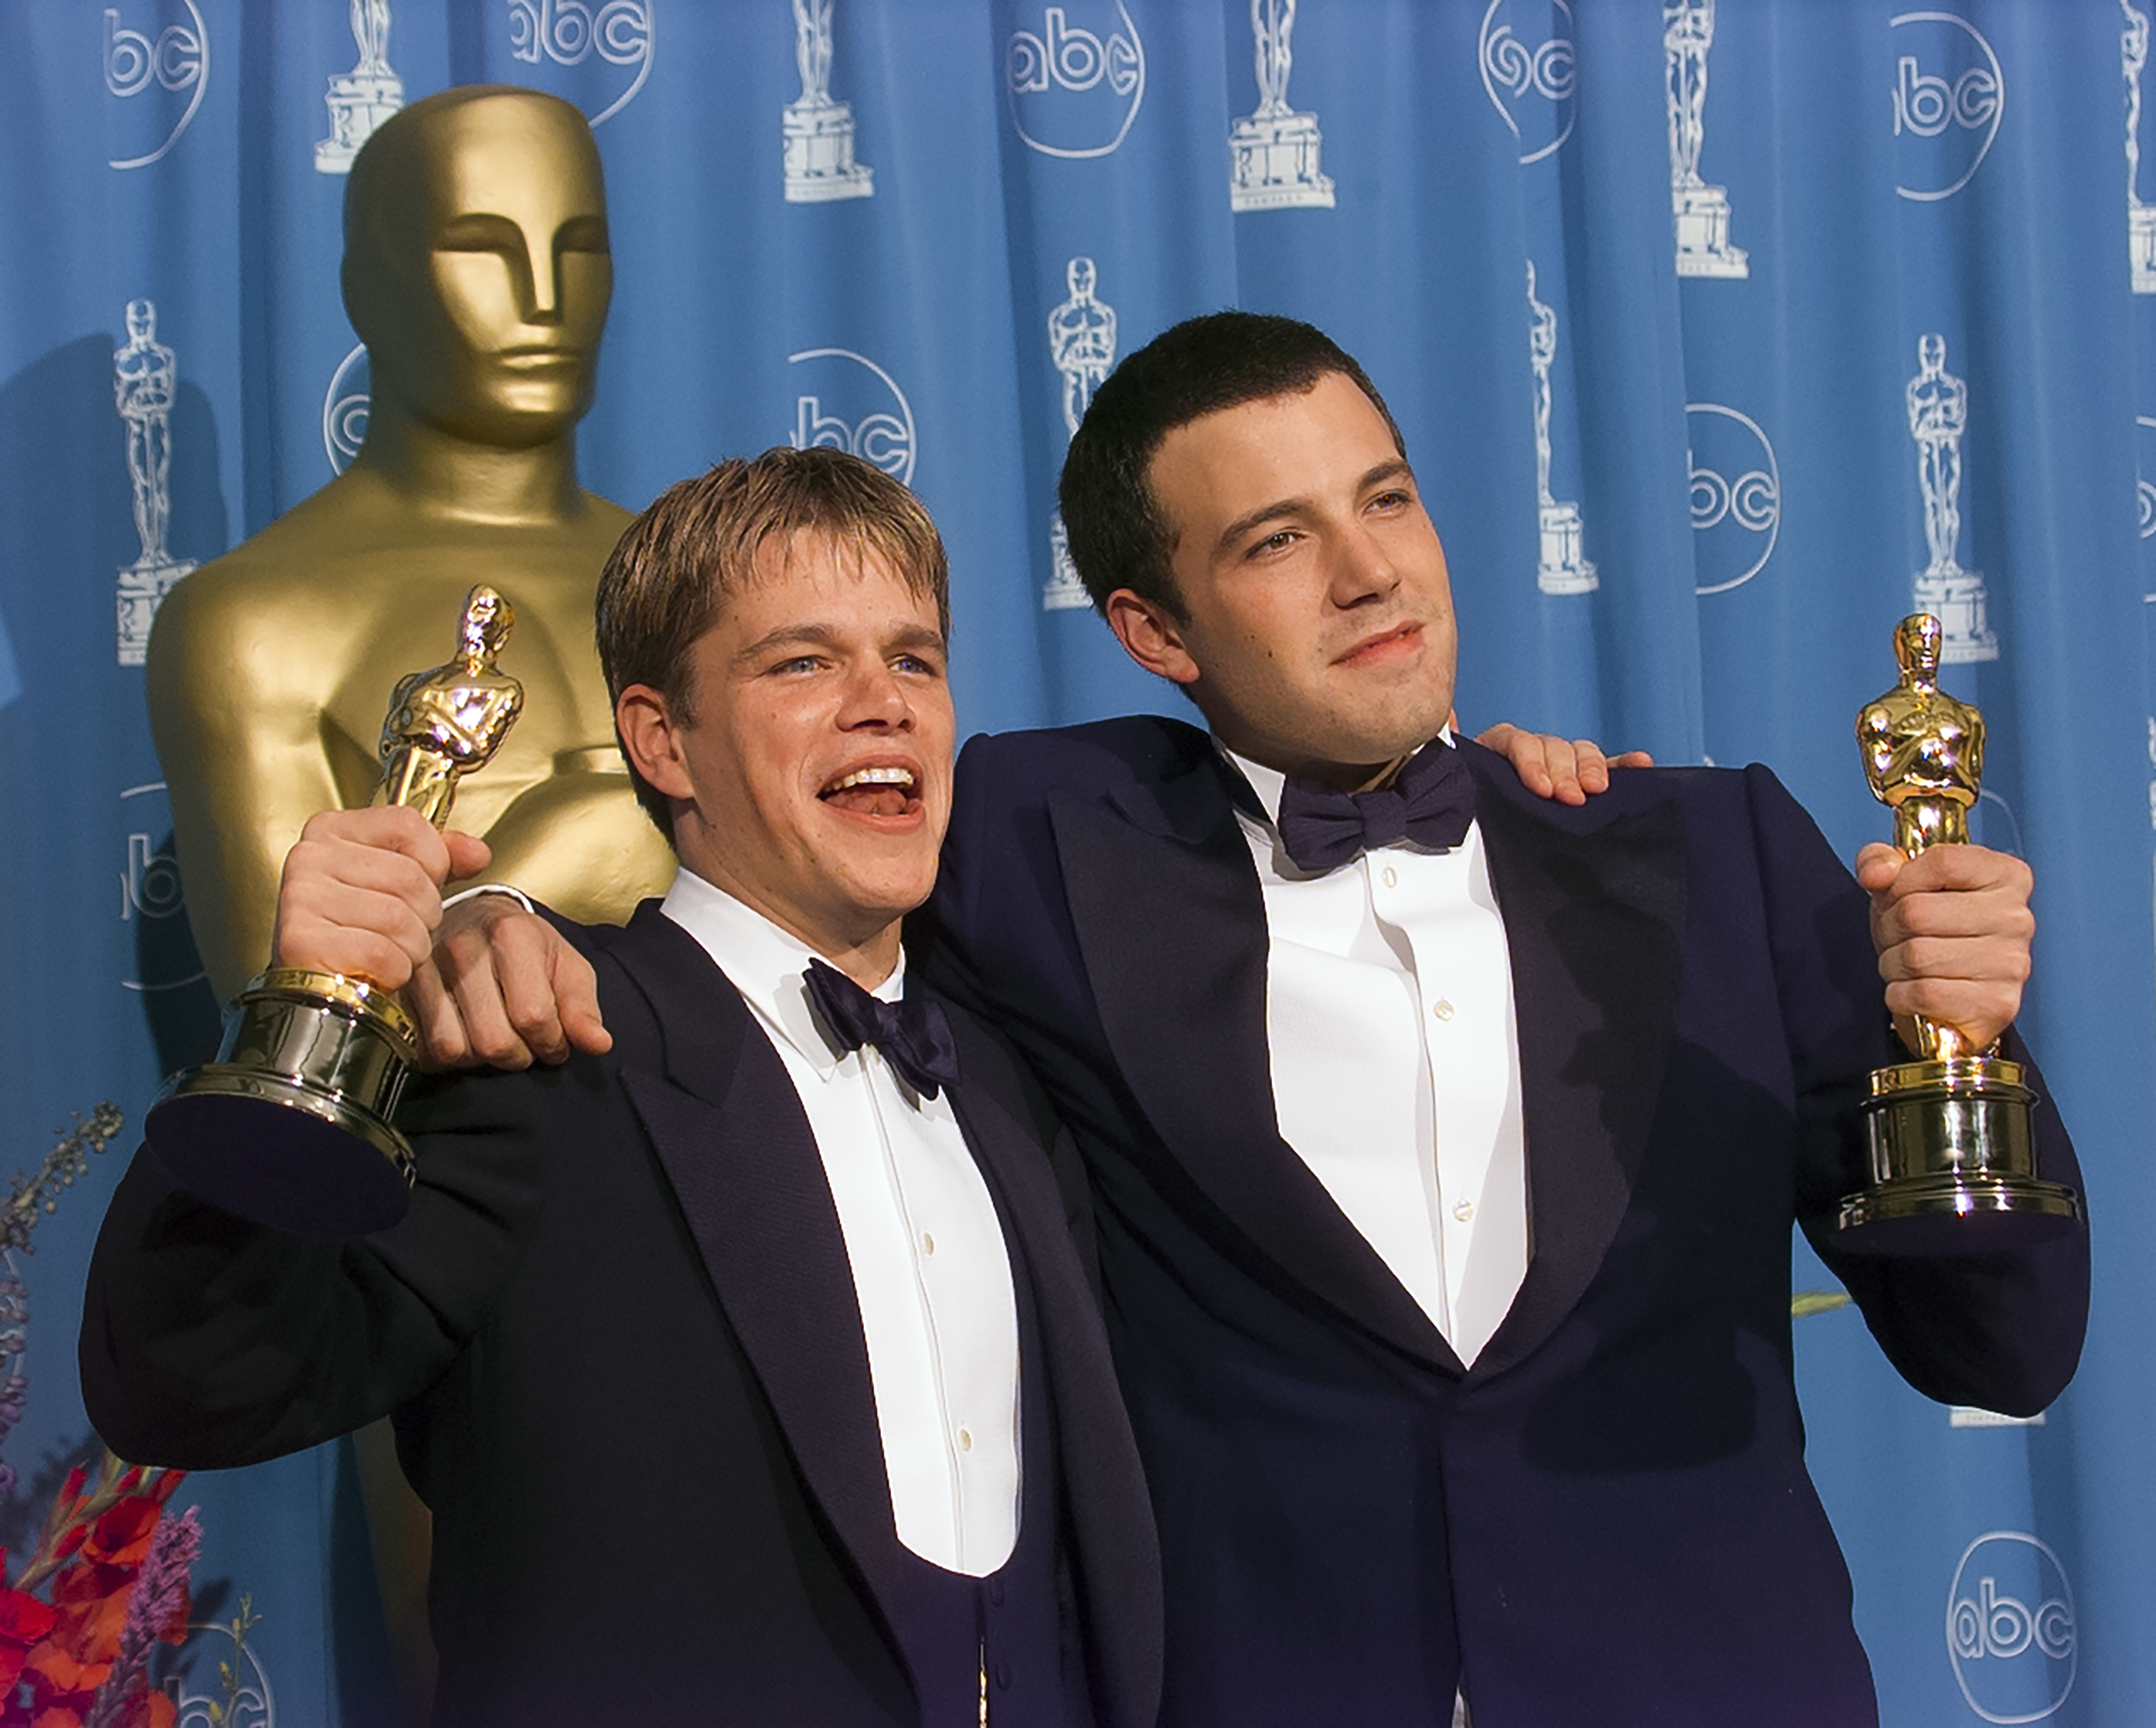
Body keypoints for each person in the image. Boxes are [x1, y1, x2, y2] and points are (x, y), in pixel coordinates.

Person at [906, 313, 2088, 1725]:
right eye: (1276, 541)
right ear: (1155, 632)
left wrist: (1958, 1038)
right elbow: (761, 888)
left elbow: (2003, 1348)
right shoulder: (1036, 846)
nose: (1370, 572)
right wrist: (555, 942)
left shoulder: (1709, 854)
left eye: (1386, 498)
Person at [82, 449, 1163, 1727]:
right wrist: (308, 1011)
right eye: (803, 662)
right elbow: (191, 1376)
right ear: (661, 738)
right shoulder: (539, 1046)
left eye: (914, 657)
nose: (884, 701)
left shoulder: (1008, 1079)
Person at [145, 85, 672, 1008]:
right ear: (366, 288)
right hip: (455, 1149)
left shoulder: (701, 578)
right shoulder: (253, 622)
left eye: (578, 247)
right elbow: (296, 1036)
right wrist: (574, 857)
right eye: (481, 246)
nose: (543, 299)